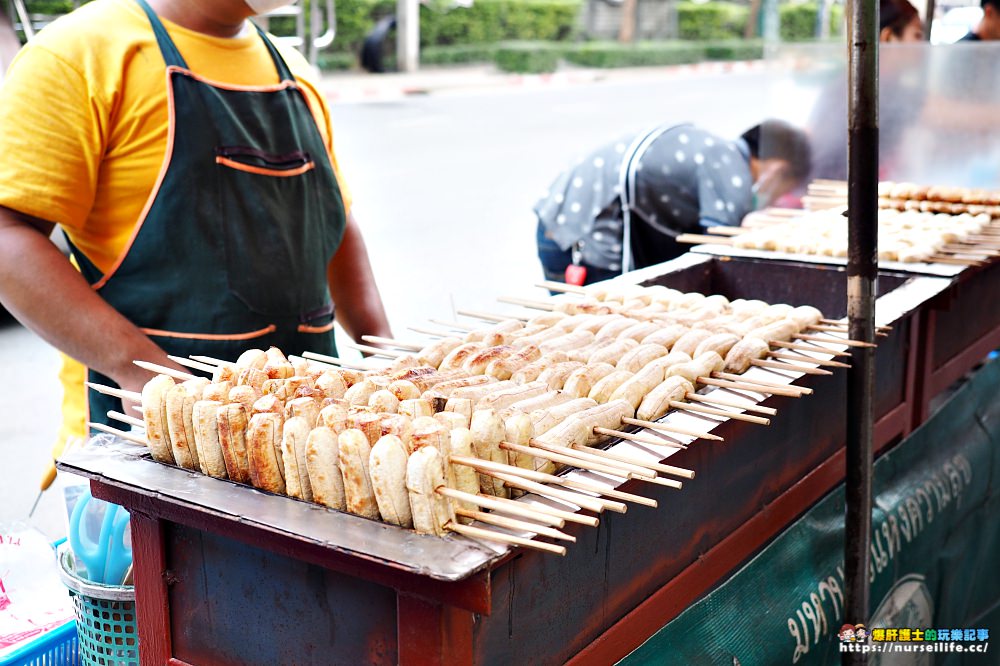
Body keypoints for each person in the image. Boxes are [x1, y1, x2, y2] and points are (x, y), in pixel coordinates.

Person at [0, 0, 392, 444]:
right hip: (146, 445)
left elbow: (333, 221)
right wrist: (136, 367)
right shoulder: (80, 54)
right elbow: (8, 236)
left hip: (308, 433)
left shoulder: (295, 72)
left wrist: (382, 349)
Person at [534, 120, 812, 285]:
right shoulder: (732, 171)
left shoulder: (714, 149)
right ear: (778, 168)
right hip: (582, 239)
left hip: (557, 222)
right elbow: (716, 250)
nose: (775, 198)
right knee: (586, 336)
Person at [807, 0, 926, 183]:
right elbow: (941, 112)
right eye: (917, 35)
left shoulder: (865, 81)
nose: (924, 47)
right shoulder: (874, 89)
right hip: (835, 195)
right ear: (888, 38)